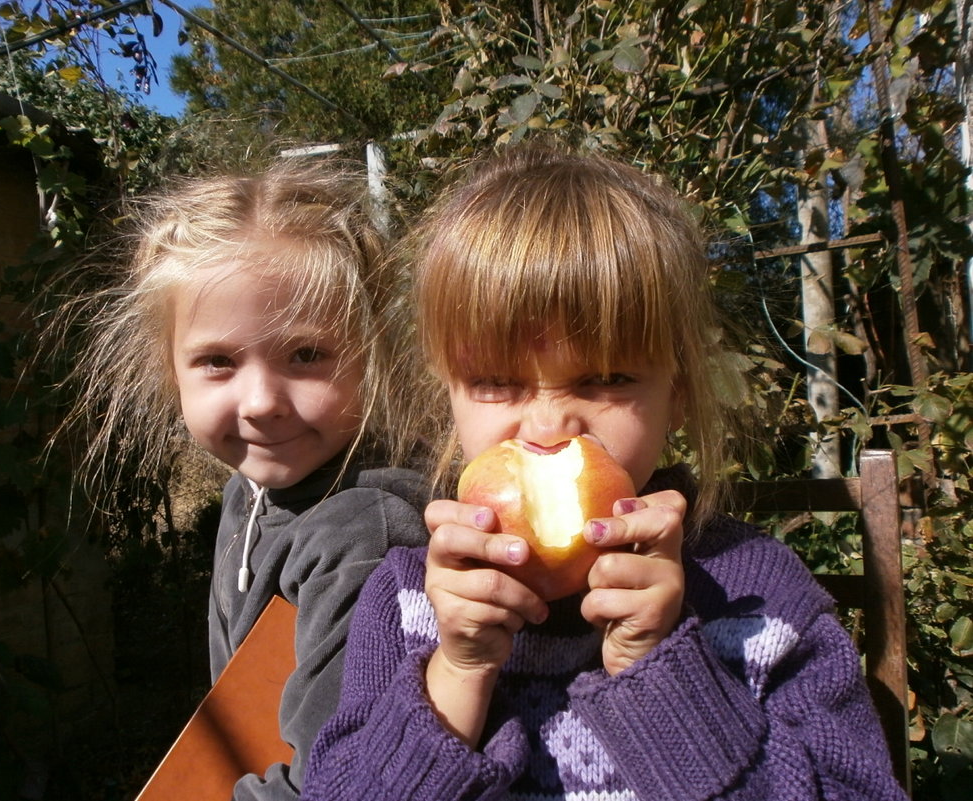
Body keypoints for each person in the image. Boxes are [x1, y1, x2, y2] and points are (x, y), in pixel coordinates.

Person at [300, 143, 908, 799]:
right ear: (448, 391)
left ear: (676, 390)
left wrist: (665, 676)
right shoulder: (411, 606)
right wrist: (457, 671)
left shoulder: (759, 602)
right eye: (497, 382)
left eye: (609, 377)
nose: (548, 423)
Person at [64, 159, 430, 800]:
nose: (261, 401)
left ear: (371, 352)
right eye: (217, 361)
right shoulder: (252, 490)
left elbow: (332, 784)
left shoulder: (362, 534)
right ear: (169, 367)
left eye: (307, 354)